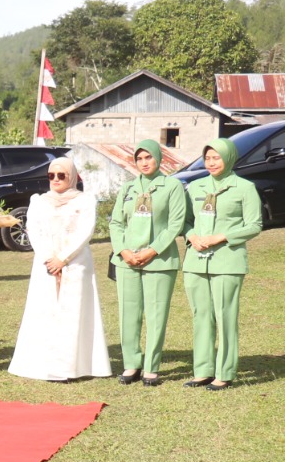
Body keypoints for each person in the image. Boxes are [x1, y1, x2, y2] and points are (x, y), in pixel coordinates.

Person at [8, 158, 110, 381]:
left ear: (72, 176)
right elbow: (34, 230)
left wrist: (63, 259)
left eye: (61, 175)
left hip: (76, 263)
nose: (55, 179)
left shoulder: (84, 201)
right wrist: (49, 259)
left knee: (73, 313)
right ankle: (44, 365)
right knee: (46, 312)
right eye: (51, 175)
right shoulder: (39, 201)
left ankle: (73, 367)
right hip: (46, 264)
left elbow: (85, 230)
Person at [181, 137, 263, 391]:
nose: (211, 163)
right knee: (201, 316)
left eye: (216, 157)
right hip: (195, 263)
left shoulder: (245, 187)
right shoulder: (195, 187)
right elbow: (184, 221)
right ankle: (203, 370)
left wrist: (222, 236)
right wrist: (191, 236)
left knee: (225, 316)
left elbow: (255, 225)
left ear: (229, 158)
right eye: (207, 158)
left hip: (228, 262)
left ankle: (225, 372)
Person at [108, 140, 189, 387]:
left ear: (158, 158)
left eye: (149, 158)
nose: (144, 163)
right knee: (128, 314)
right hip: (127, 261)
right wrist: (123, 250)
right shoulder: (128, 188)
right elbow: (116, 223)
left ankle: (152, 367)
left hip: (160, 260)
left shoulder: (173, 186)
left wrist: (152, 250)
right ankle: (131, 364)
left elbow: (176, 223)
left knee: (156, 315)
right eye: (140, 158)